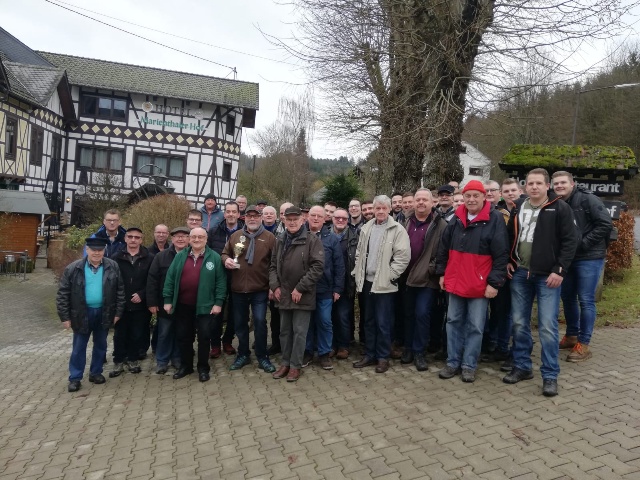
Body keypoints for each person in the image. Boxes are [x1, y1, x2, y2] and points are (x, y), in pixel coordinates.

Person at [504, 168, 578, 397]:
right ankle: (523, 366)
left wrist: (560, 270)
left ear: (547, 186)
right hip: (520, 274)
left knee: (547, 327)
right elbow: (509, 237)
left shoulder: (559, 208)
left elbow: (571, 241)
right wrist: (509, 259)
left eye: (539, 183)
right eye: (530, 183)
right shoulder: (518, 208)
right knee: (518, 323)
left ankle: (550, 375)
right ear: (525, 187)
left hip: (548, 277)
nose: (534, 187)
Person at [435, 180, 509, 384]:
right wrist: (442, 273)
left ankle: (469, 365)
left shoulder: (494, 219)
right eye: (468, 196)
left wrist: (494, 283)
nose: (471, 199)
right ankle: (452, 362)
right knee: (453, 322)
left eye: (476, 195)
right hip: (456, 281)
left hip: (480, 285)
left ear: (484, 197)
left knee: (476, 326)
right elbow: (443, 248)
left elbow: (501, 255)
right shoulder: (456, 218)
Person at [553, 170, 612, 362]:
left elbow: (605, 224)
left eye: (563, 183)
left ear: (572, 183)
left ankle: (584, 344)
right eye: (556, 183)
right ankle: (571, 336)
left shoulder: (588, 200)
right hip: (567, 259)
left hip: (589, 257)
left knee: (586, 299)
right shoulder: (556, 203)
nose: (559, 186)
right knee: (567, 298)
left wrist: (584, 243)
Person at [57, 237, 125, 392]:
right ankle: (75, 378)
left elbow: (120, 291)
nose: (96, 253)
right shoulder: (74, 268)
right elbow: (63, 293)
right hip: (81, 313)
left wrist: (118, 312)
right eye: (93, 250)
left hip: (104, 311)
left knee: (101, 345)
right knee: (79, 347)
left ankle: (96, 372)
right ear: (87, 250)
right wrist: (65, 317)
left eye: (100, 250)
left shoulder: (112, 266)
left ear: (104, 251)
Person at [352, 195, 410, 374]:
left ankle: (383, 356)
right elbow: (359, 253)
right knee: (368, 321)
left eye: (384, 208)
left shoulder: (397, 229)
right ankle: (370, 354)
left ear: (389, 209)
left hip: (385, 285)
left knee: (383, 322)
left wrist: (390, 275)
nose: (380, 211)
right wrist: (357, 272)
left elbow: (403, 257)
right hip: (367, 282)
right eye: (377, 208)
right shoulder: (366, 228)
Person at [163, 227, 227, 382]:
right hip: (183, 305)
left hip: (205, 306)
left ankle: (203, 368)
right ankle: (186, 366)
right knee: (184, 337)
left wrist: (218, 303)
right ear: (189, 239)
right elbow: (170, 279)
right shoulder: (180, 257)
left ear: (206, 239)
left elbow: (221, 282)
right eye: (194, 237)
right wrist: (167, 300)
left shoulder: (215, 258)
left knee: (204, 338)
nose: (197, 240)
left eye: (200, 237)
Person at [269, 206, 324, 382]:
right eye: (289, 219)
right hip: (283, 294)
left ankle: (295, 366)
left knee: (300, 332)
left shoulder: (312, 240)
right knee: (284, 332)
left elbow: (317, 267)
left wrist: (300, 288)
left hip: (302, 294)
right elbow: (272, 266)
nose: (292, 222)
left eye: (295, 219)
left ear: (302, 220)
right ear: (284, 220)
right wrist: (274, 285)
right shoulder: (280, 239)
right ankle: (285, 363)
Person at [221, 205, 277, 373]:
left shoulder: (269, 237)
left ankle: (262, 356)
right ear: (244, 218)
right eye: (249, 216)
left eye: (256, 216)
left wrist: (273, 286)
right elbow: (224, 254)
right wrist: (226, 261)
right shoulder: (235, 236)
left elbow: (275, 263)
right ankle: (243, 354)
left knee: (260, 322)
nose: (252, 219)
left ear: (260, 218)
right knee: (240, 324)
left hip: (260, 288)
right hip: (238, 288)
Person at [401, 189, 447, 371]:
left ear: (432, 203)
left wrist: (432, 268)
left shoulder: (440, 224)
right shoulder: (405, 221)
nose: (421, 202)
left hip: (427, 279)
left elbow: (443, 252)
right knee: (408, 314)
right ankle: (408, 349)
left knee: (422, 314)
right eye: (417, 199)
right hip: (406, 276)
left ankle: (420, 352)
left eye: (424, 200)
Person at [303, 205, 345, 370]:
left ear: (324, 219)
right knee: (306, 322)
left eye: (319, 216)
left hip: (325, 289)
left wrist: (337, 288)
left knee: (325, 322)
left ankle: (324, 353)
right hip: (305, 288)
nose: (315, 218)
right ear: (307, 217)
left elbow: (339, 266)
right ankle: (307, 352)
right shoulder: (300, 235)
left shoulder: (331, 238)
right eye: (312, 215)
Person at [110, 227, 154, 377]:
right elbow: (112, 281)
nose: (133, 240)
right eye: (130, 237)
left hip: (140, 304)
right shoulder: (116, 257)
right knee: (120, 334)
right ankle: (118, 361)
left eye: (137, 237)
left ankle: (133, 359)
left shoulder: (149, 258)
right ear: (125, 238)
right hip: (121, 303)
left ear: (141, 240)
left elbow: (152, 280)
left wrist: (142, 294)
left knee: (137, 334)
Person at [146, 226, 190, 374]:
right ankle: (162, 360)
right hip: (164, 302)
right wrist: (152, 302)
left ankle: (177, 358)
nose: (180, 239)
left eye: (184, 236)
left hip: (184, 303)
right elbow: (152, 280)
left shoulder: (192, 256)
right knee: (164, 332)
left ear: (188, 239)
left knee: (180, 332)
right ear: (172, 239)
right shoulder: (161, 256)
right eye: (177, 236)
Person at [206, 201, 243, 358]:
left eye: (234, 212)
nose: (231, 214)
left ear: (238, 214)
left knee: (236, 312)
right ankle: (214, 344)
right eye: (228, 211)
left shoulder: (245, 232)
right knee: (216, 311)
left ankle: (227, 340)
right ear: (224, 213)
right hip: (218, 277)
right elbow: (208, 253)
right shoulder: (214, 232)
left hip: (238, 277)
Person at [330, 208, 359, 359]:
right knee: (329, 316)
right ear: (332, 219)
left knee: (343, 316)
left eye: (343, 218)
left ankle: (343, 345)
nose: (340, 220)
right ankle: (332, 344)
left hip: (347, 283)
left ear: (347, 220)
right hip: (328, 283)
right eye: (337, 218)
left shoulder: (355, 237)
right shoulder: (326, 235)